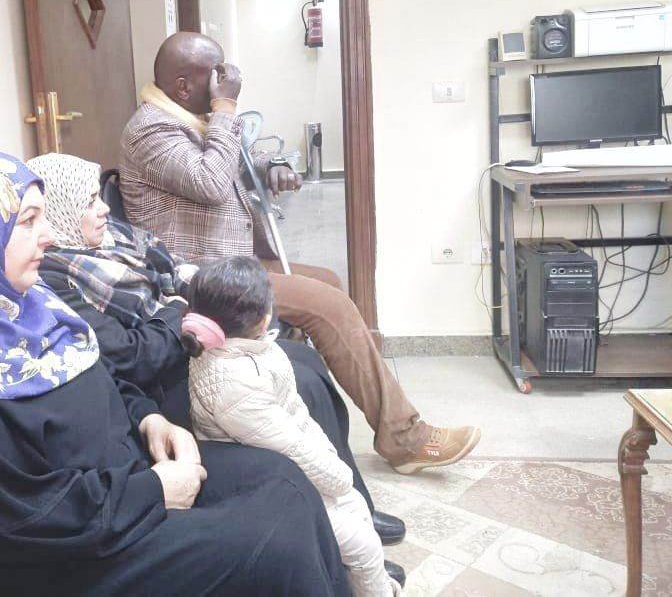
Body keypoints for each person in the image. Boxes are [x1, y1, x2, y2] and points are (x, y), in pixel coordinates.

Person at [0, 149, 352, 596]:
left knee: (285, 478)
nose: (48, 236)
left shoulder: (27, 308)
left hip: (117, 489)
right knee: (275, 541)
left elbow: (99, 373)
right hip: (61, 563)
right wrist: (154, 492)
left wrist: (150, 419)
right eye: (28, 221)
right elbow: (17, 521)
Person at [119, 32, 481, 474]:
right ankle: (404, 438)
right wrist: (226, 107)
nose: (224, 81)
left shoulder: (188, 117)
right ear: (182, 86)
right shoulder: (150, 129)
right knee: (328, 305)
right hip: (199, 276)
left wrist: (274, 167)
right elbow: (211, 181)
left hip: (231, 260)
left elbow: (234, 159)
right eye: (215, 74)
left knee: (328, 282)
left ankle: (288, 390)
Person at [26, 152, 407, 556]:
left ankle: (352, 507)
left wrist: (190, 299)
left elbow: (173, 267)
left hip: (192, 342)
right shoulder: (54, 277)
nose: (104, 208)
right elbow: (132, 355)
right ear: (61, 211)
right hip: (165, 381)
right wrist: (182, 309)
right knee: (300, 385)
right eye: (89, 202)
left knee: (305, 364)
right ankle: (333, 536)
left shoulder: (111, 240)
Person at [183, 257, 401, 597]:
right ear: (263, 317)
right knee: (363, 545)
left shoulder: (251, 349)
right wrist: (338, 477)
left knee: (356, 510)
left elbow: (294, 422)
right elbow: (289, 447)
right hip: (269, 483)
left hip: (292, 463)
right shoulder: (234, 384)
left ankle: (362, 581)